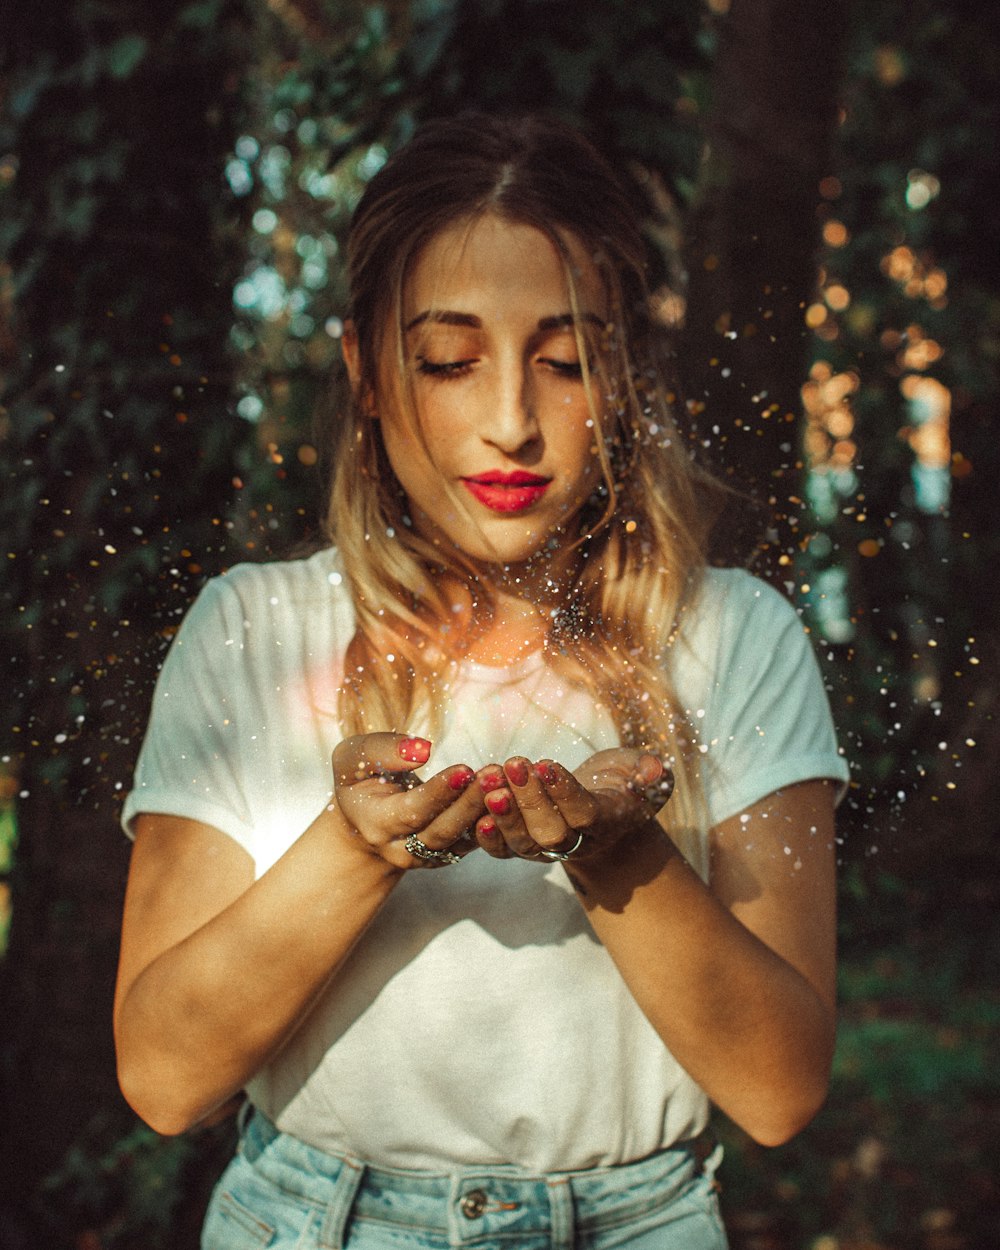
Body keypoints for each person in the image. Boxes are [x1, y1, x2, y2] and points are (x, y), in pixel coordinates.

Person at [114, 113, 849, 1250]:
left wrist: (621, 852)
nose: (510, 420)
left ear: (623, 373)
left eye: (563, 361)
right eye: (448, 360)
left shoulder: (737, 641)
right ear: (363, 369)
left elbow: (779, 1086)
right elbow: (163, 1076)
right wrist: (354, 849)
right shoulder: (253, 631)